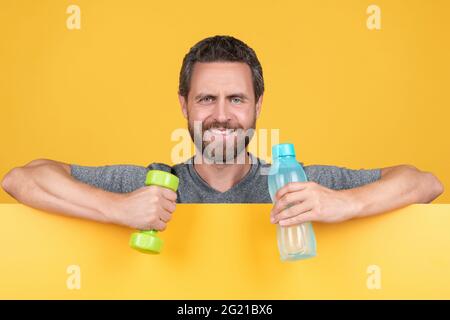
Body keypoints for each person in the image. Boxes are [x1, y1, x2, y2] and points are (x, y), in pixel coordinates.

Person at [1, 35, 444, 232]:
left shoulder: (295, 186)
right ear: (183, 105)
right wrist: (117, 209)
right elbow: (20, 178)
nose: (221, 115)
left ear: (257, 107)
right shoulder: (151, 187)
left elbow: (425, 182)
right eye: (205, 99)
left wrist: (345, 203)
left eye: (236, 99)